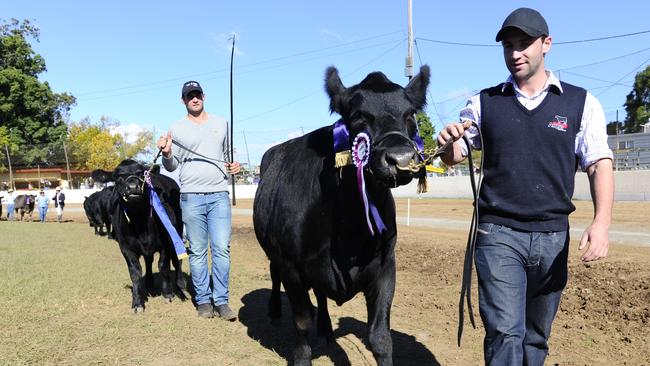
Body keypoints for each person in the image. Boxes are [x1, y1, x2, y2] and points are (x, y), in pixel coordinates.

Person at [437, 8, 614, 366]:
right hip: (498, 233)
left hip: (553, 237)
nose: (515, 53)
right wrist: (448, 143)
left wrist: (601, 222)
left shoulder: (581, 103)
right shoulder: (483, 103)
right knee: (504, 332)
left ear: (546, 44)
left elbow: (598, 163)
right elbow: (455, 154)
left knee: (536, 338)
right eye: (508, 46)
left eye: (524, 44)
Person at [158, 80, 241, 320]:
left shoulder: (222, 123)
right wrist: (166, 153)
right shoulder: (176, 127)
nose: (194, 99)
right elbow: (172, 165)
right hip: (191, 196)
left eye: (197, 95)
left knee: (222, 250)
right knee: (197, 252)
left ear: (203, 96)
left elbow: (228, 155)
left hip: (219, 196)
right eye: (189, 96)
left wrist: (234, 165)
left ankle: (222, 301)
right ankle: (204, 301)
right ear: (183, 100)